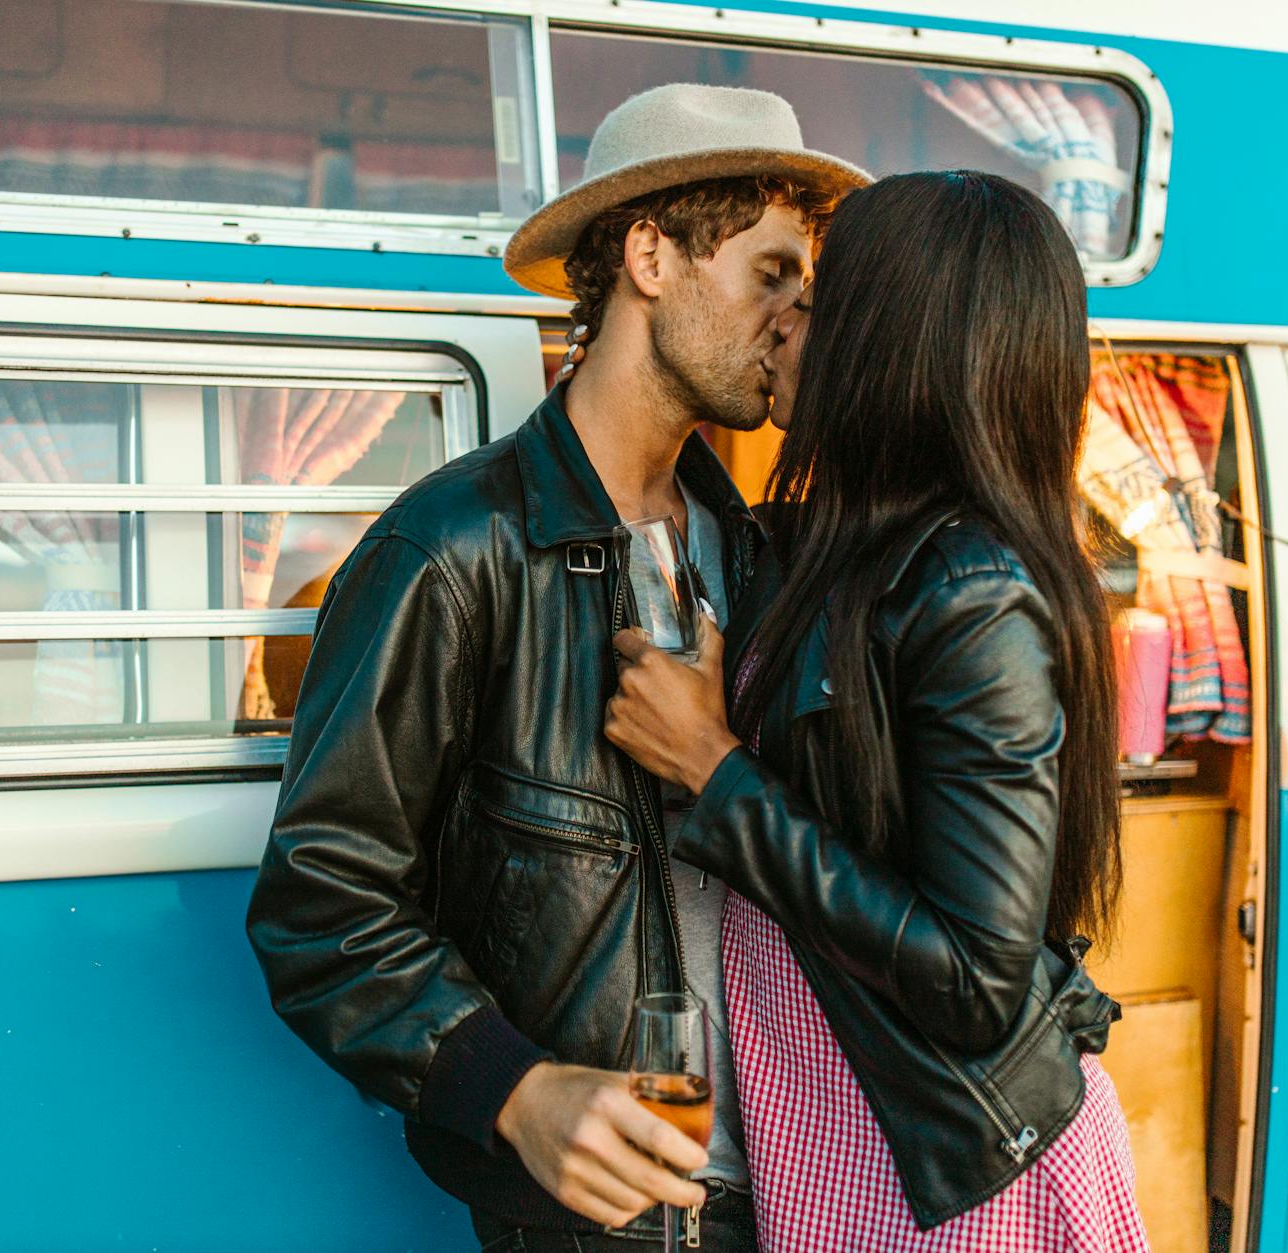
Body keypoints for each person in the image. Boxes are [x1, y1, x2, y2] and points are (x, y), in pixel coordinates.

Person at [246, 83, 866, 1251]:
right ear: (648, 255)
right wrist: (516, 1091)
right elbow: (320, 901)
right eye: (770, 273)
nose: (794, 319)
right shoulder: (452, 549)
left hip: (801, 1187)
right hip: (600, 1218)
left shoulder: (763, 557)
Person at [604, 171, 1152, 1251]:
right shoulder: (823, 548)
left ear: (884, 344)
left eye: (811, 304)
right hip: (839, 1134)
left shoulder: (972, 590)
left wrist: (718, 771)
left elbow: (973, 977)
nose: (782, 326)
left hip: (944, 1173)